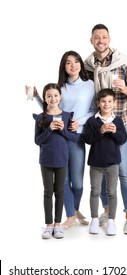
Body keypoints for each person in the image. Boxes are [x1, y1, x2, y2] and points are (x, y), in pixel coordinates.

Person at [28, 50, 96, 229]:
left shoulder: (90, 85)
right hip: (57, 138)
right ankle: (70, 215)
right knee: (63, 181)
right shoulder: (61, 86)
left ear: (81, 64)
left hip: (76, 136)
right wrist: (35, 95)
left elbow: (94, 110)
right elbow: (50, 105)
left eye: (76, 61)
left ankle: (74, 209)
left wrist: (78, 122)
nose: (73, 65)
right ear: (64, 67)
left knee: (78, 182)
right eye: (68, 62)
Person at [84, 24, 127, 234]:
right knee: (99, 168)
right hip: (98, 124)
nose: (101, 40)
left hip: (118, 125)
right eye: (97, 37)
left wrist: (124, 88)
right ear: (91, 41)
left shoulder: (124, 64)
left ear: (109, 39)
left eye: (104, 37)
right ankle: (108, 213)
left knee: (123, 171)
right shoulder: (88, 66)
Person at [34, 83, 77, 239]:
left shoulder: (67, 115)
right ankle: (48, 225)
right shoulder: (41, 117)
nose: (53, 98)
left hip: (62, 159)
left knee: (59, 192)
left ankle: (58, 225)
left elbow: (73, 137)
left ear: (60, 97)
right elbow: (37, 140)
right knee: (48, 192)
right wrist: (50, 128)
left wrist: (63, 129)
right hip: (46, 160)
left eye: (55, 95)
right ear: (45, 98)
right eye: (49, 96)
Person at [84, 88, 127, 236]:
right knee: (95, 191)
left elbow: (123, 139)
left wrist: (115, 132)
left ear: (114, 103)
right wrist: (100, 131)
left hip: (113, 164)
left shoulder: (118, 121)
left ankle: (111, 221)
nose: (106, 104)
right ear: (98, 103)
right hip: (95, 163)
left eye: (109, 101)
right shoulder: (92, 121)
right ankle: (94, 219)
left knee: (112, 192)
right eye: (103, 101)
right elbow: (88, 139)